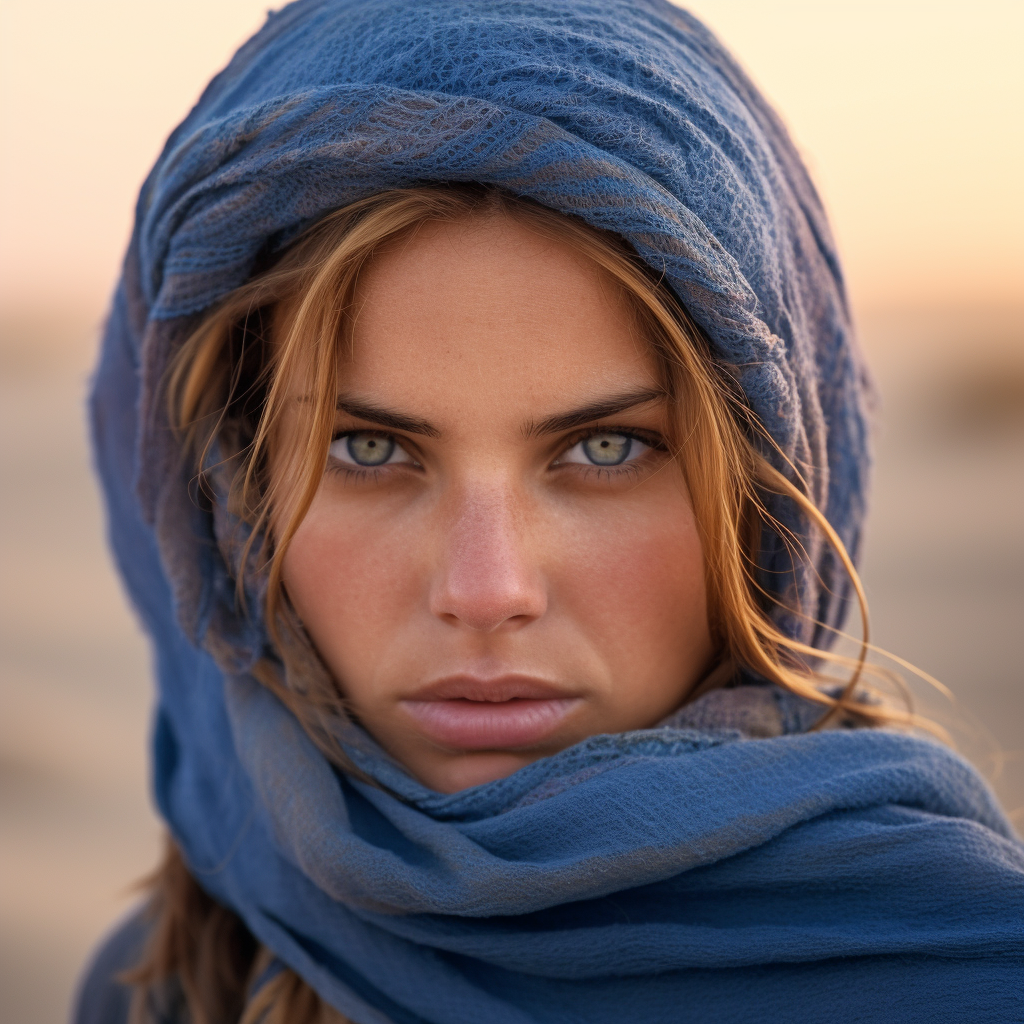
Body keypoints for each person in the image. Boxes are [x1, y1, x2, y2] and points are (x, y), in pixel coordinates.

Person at [73, 1, 1023, 1022]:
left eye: (604, 449)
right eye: (369, 449)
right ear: (229, 500)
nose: (486, 592)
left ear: (767, 494)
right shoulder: (169, 984)